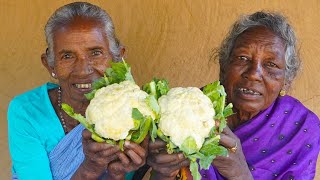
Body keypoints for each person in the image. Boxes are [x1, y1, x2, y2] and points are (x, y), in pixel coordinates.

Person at [147, 11, 320, 179]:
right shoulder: (186, 111)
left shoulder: (302, 128)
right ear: (224, 67)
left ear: (286, 81)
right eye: (243, 58)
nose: (254, 74)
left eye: (271, 64)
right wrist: (163, 173)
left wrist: (240, 174)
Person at [8, 2, 147, 179]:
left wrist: (118, 174)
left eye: (95, 53)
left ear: (118, 57)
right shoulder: (27, 111)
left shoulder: (135, 112)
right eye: (67, 56)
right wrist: (91, 167)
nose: (83, 70)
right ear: (50, 64)